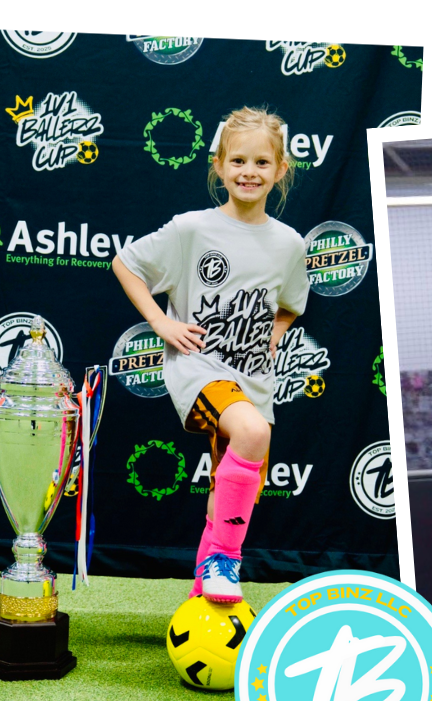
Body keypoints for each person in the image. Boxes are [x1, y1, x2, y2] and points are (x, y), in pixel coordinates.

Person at [112, 106, 309, 603]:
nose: (249, 172)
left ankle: (206, 581)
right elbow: (126, 263)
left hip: (254, 382)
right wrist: (160, 322)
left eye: (262, 163)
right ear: (218, 165)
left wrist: (275, 331)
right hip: (199, 370)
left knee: (233, 493)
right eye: (238, 160)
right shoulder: (191, 229)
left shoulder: (289, 244)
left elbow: (290, 305)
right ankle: (226, 560)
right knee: (252, 431)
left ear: (280, 171)